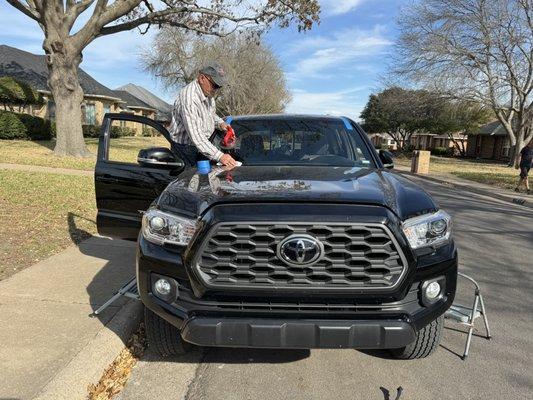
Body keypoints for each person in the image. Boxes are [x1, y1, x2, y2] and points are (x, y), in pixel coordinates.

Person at [169, 61, 237, 167]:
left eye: (219, 86)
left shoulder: (208, 94)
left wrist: (221, 123)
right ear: (202, 78)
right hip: (184, 150)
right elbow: (196, 135)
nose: (216, 89)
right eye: (215, 85)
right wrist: (220, 156)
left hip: (203, 147)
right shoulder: (189, 98)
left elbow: (210, 114)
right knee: (188, 182)